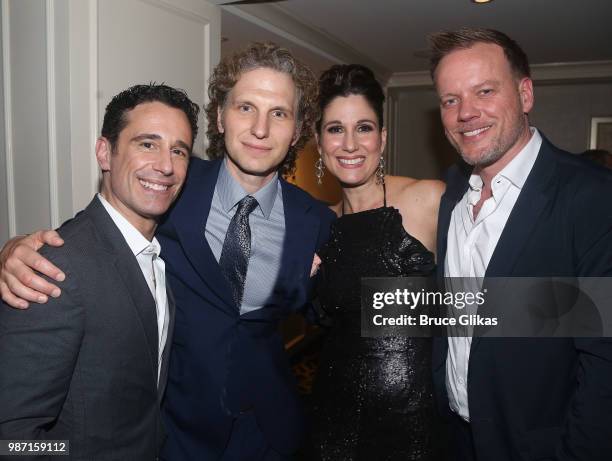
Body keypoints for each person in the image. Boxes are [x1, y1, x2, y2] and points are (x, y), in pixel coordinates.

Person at [0, 43, 336, 460]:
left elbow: (336, 314)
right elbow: (98, 234)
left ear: (299, 128)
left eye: (279, 113)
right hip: (174, 433)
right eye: (245, 107)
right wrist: (16, 250)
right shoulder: (170, 183)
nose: (260, 129)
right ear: (219, 116)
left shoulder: (314, 220)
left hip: (270, 430)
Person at [429, 28, 612, 460]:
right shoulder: (453, 192)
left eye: (485, 91)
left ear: (525, 94)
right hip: (453, 438)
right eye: (450, 100)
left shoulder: (592, 198)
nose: (465, 113)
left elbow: (605, 364)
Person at [0, 83, 199, 459]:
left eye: (178, 150)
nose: (166, 165)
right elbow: (12, 437)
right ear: (105, 153)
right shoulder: (53, 267)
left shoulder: (160, 249)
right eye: (147, 144)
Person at [309, 64, 445, 460]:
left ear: (382, 138)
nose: (350, 144)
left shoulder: (427, 199)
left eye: (364, 128)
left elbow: (486, 304)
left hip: (416, 423)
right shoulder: (319, 224)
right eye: (335, 129)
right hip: (332, 420)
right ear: (319, 143)